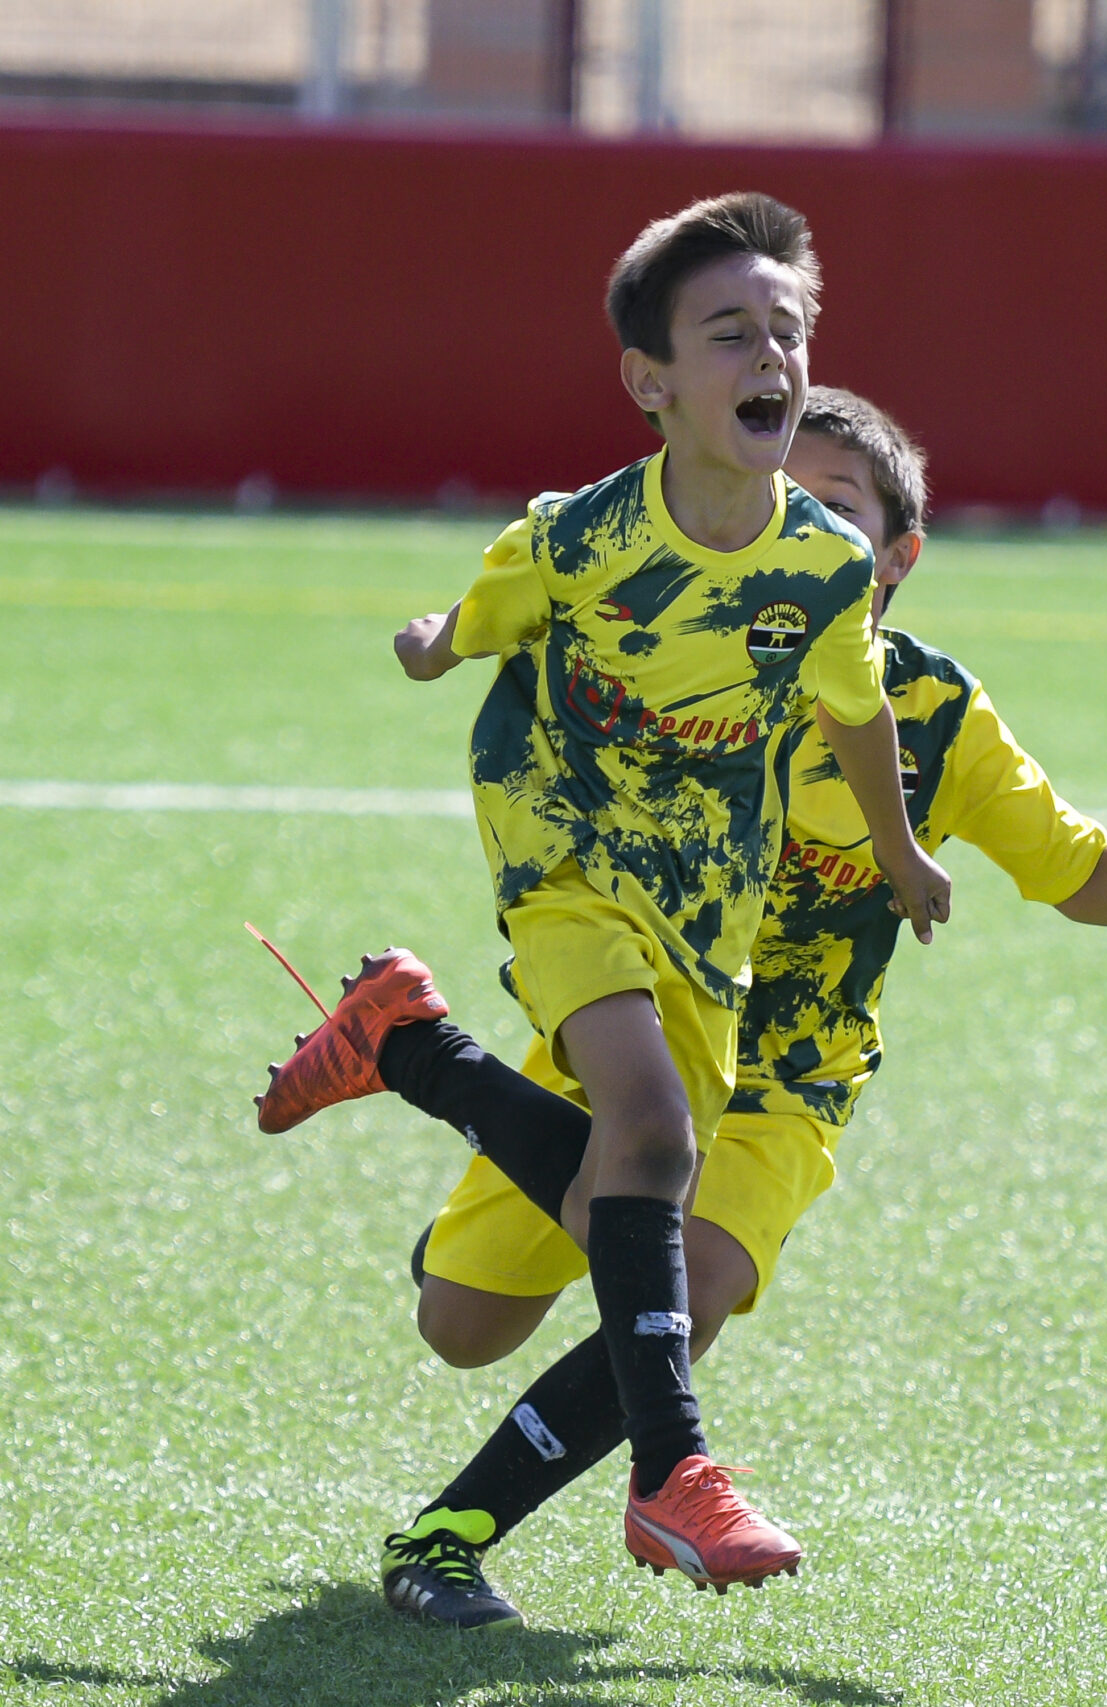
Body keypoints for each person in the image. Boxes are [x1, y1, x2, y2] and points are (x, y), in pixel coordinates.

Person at [277, 388, 1107, 1628]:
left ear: (897, 557)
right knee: (463, 1327)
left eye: (839, 508)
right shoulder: (691, 651)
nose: (800, 520)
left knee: (685, 1289)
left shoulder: (933, 715)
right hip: (631, 1037)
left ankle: (447, 1534)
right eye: (786, 497)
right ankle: (421, 1052)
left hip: (787, 1081)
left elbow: (1079, 876)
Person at [255, 195, 950, 1597]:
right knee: (654, 1133)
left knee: (545, 1261)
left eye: (788, 331)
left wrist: (899, 848)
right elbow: (477, 620)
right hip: (559, 844)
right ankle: (673, 1474)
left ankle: (411, 1045)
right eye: (730, 333)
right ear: (652, 381)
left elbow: (858, 709)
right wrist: (429, 646)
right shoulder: (582, 538)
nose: (770, 355)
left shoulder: (823, 564)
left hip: (704, 894)